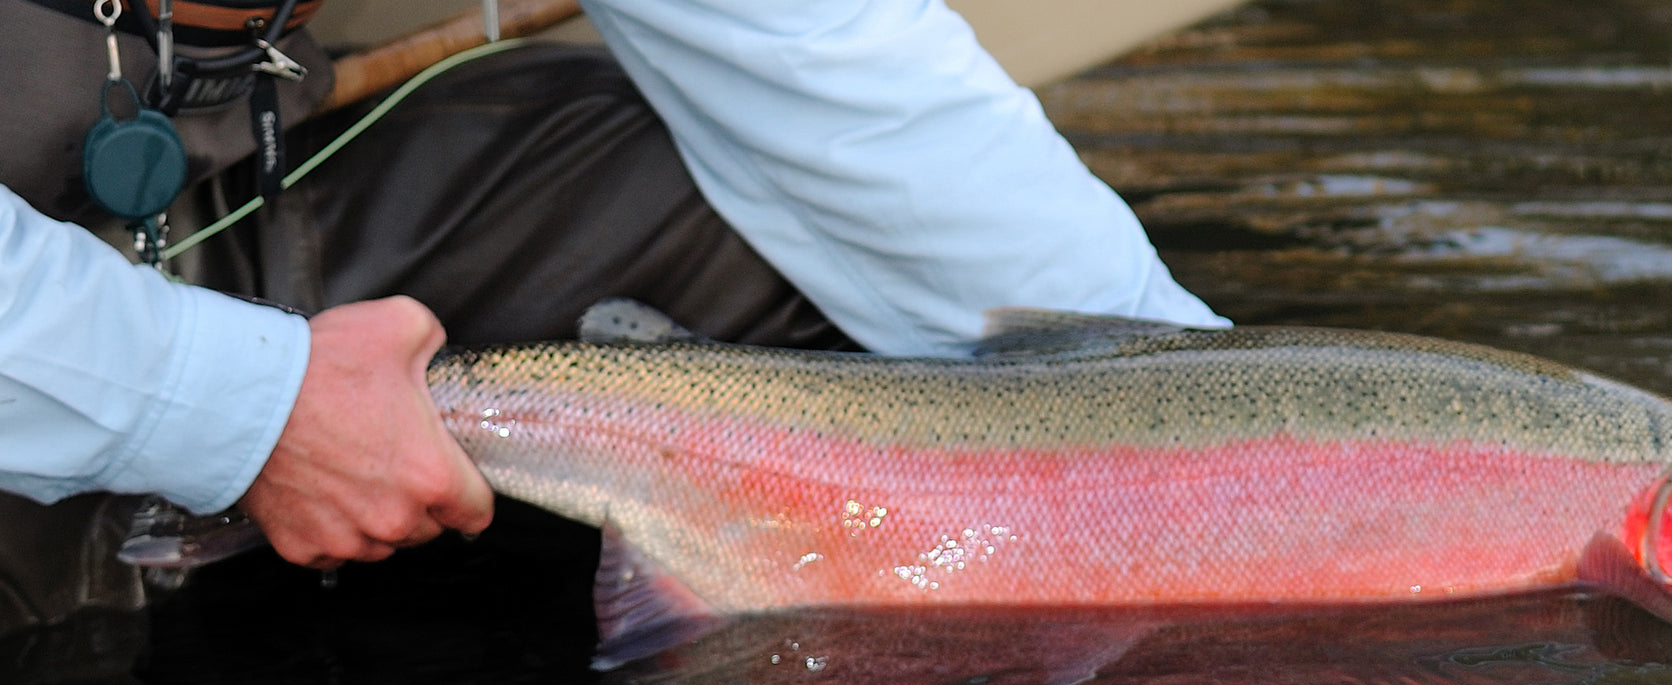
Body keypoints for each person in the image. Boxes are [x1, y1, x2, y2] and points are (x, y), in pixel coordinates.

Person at [0, 0, 1228, 632]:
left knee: (692, 183)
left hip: (194, 190)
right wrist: (241, 406)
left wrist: (1189, 409)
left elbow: (846, 94)